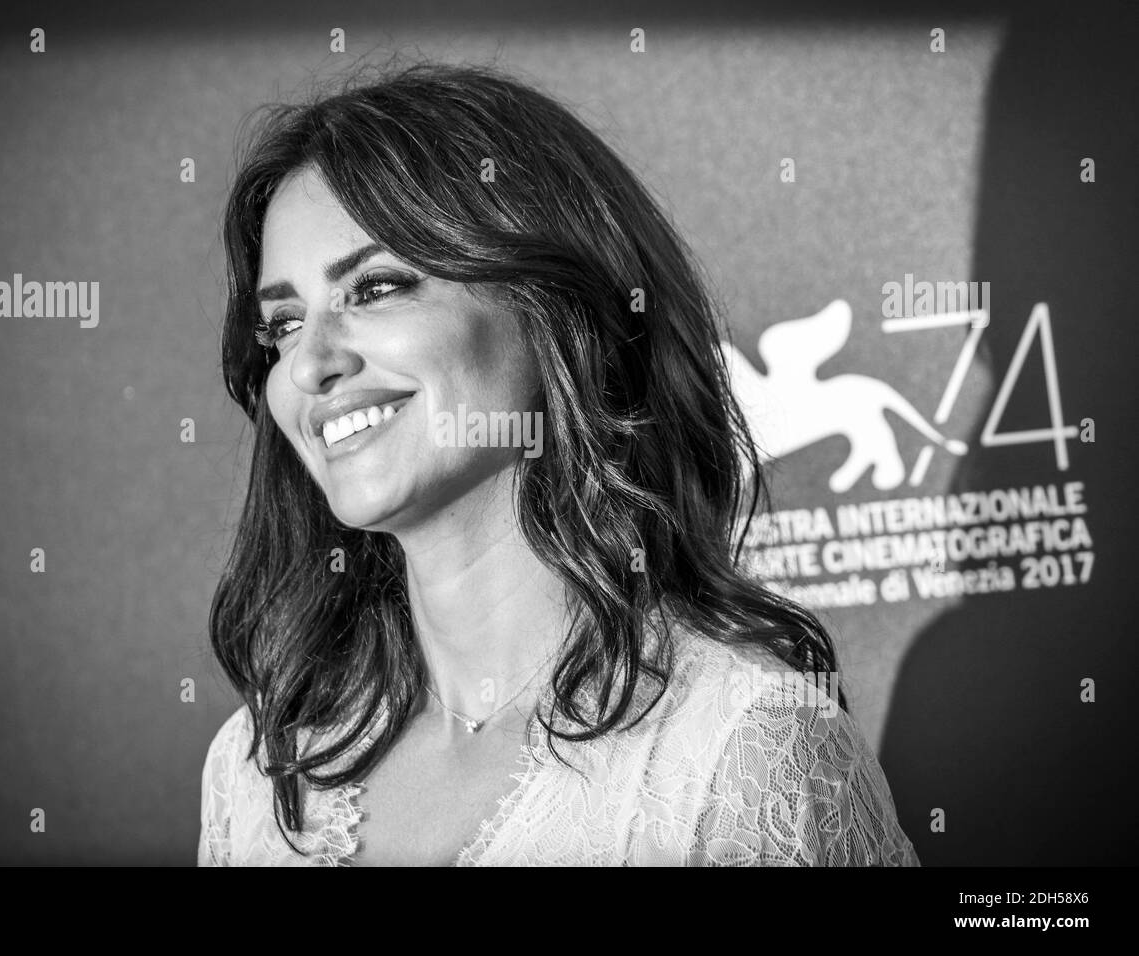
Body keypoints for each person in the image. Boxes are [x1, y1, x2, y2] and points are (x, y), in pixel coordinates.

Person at [199, 61, 919, 866]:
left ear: (552, 312)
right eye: (284, 324)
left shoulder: (741, 752)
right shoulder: (261, 768)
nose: (309, 364)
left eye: (374, 288)